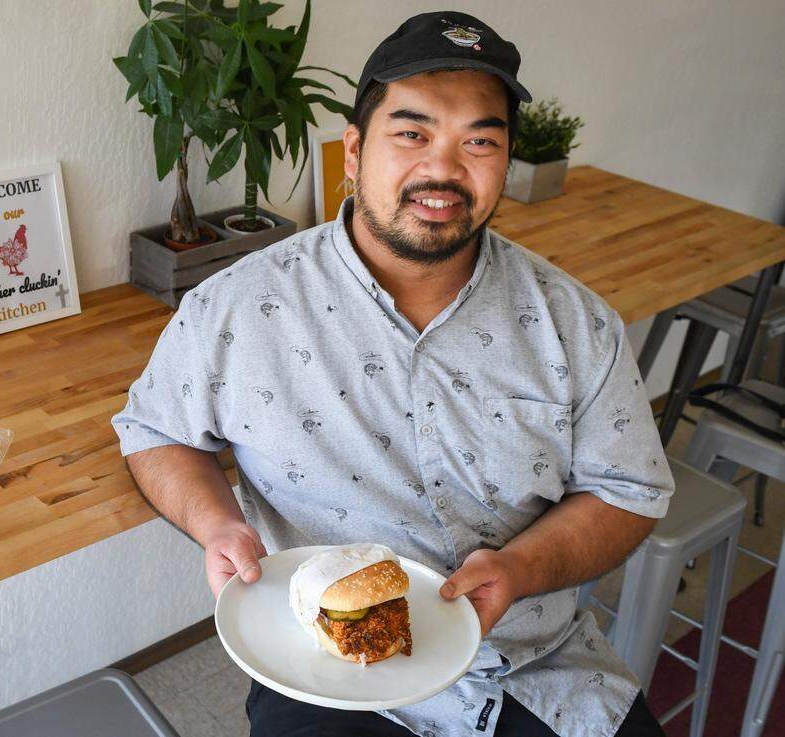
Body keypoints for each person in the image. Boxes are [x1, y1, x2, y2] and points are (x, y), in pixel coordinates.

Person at [111, 10, 672, 737]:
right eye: (412, 133)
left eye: (479, 140)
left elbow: (628, 490)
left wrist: (521, 568)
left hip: (533, 671)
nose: (443, 168)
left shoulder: (574, 322)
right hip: (325, 672)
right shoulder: (239, 306)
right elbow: (153, 429)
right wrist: (217, 523)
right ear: (354, 149)